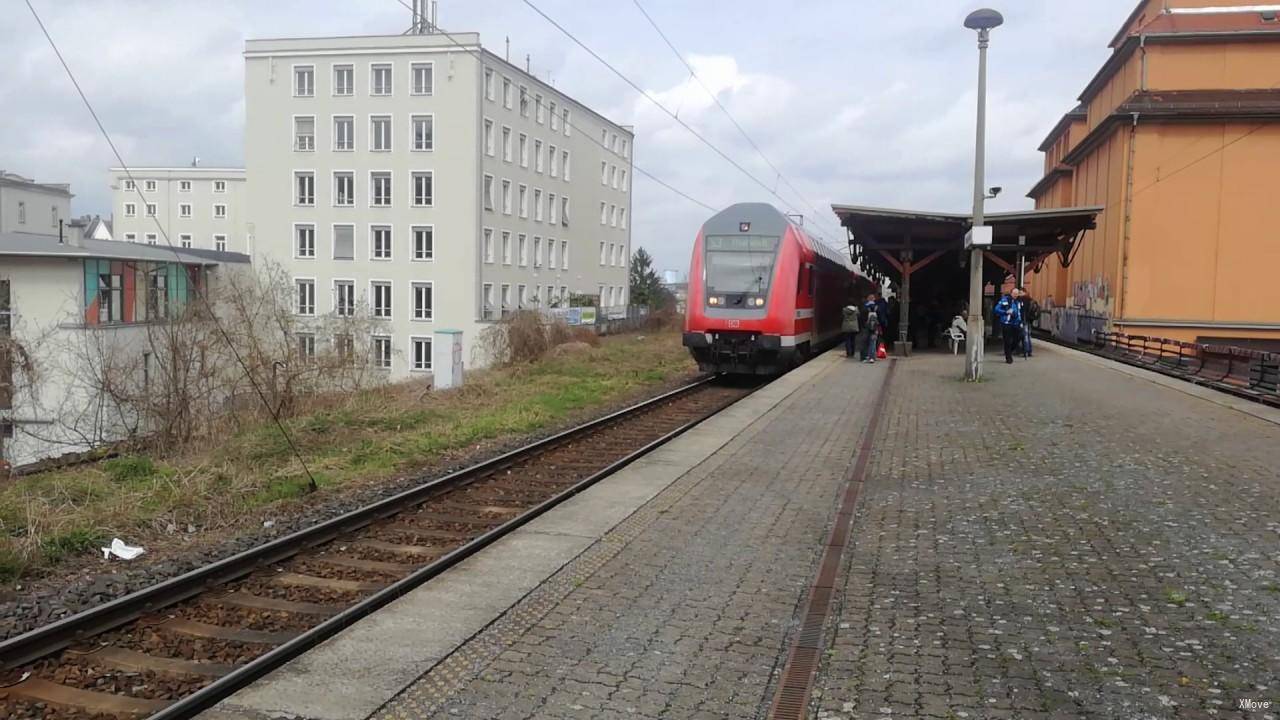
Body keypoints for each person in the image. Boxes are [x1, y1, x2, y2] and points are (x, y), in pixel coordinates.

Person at [993, 286, 1023, 364]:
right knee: (1007, 341)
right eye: (1014, 293)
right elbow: (996, 309)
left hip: (1016, 323)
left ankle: (1010, 351)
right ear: (1011, 293)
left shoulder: (1018, 302)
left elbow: (1020, 312)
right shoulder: (1005, 300)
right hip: (1006, 323)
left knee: (1018, 338)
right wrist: (1005, 312)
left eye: (1017, 294)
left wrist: (1021, 321)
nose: (1016, 295)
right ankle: (1008, 358)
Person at [1016, 286, 1038, 358]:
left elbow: (1022, 312)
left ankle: (1026, 351)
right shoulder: (1030, 299)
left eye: (1020, 292)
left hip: (1024, 320)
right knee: (1028, 335)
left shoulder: (1022, 300)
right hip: (1029, 320)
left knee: (1024, 336)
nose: (1019, 294)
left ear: (1024, 292)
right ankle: (1029, 351)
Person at [859, 294, 882, 363]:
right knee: (873, 342)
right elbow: (880, 318)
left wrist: (862, 326)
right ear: (874, 299)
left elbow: (861, 318)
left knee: (864, 342)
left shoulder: (864, 307)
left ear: (868, 299)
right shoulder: (877, 307)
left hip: (865, 327)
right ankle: (872, 357)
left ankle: (864, 357)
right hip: (875, 327)